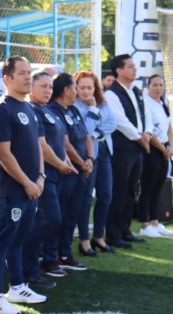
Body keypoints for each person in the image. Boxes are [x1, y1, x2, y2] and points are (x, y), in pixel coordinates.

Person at [0, 56, 45, 314]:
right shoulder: (2, 109)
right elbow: (3, 154)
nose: (27, 77)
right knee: (2, 242)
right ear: (6, 78)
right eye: (21, 73)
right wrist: (27, 182)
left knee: (19, 239)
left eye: (29, 72)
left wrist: (40, 177)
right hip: (10, 189)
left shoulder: (30, 108)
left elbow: (38, 147)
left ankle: (18, 287)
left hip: (32, 187)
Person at [23, 70, 73, 284]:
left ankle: (34, 265)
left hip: (55, 174)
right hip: (42, 176)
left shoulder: (47, 110)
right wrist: (61, 164)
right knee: (49, 220)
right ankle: (27, 267)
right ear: (31, 87)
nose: (47, 90)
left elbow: (60, 140)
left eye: (50, 87)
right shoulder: (33, 110)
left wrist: (66, 162)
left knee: (51, 221)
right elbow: (42, 147)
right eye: (43, 86)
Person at [103, 54, 151, 249]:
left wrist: (147, 133)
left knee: (132, 190)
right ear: (119, 70)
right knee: (119, 190)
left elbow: (145, 114)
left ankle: (125, 229)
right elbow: (119, 120)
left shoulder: (137, 91)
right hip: (123, 148)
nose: (134, 69)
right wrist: (139, 136)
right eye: (130, 66)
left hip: (138, 146)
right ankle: (113, 234)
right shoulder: (111, 94)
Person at [51, 72, 92, 267]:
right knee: (60, 214)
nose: (77, 91)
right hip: (66, 172)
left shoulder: (74, 110)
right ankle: (53, 255)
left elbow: (86, 136)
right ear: (66, 90)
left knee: (73, 214)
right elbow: (66, 144)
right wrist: (81, 163)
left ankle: (66, 254)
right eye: (75, 87)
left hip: (82, 171)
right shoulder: (53, 110)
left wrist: (90, 159)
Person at [75, 71, 117, 254]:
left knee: (106, 195)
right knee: (85, 199)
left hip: (104, 153)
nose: (86, 91)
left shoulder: (103, 102)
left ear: (95, 88)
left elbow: (112, 124)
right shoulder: (75, 106)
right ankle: (84, 240)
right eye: (82, 87)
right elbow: (85, 129)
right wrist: (92, 111)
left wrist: (96, 133)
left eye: (89, 87)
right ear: (75, 88)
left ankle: (98, 236)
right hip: (87, 157)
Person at [137, 75, 173, 238]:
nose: (158, 88)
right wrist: (162, 148)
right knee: (148, 187)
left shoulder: (163, 103)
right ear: (148, 87)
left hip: (164, 150)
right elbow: (149, 131)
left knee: (158, 187)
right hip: (152, 150)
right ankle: (144, 224)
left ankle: (154, 221)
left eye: (161, 85)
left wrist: (170, 147)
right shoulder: (146, 104)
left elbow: (169, 128)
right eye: (154, 85)